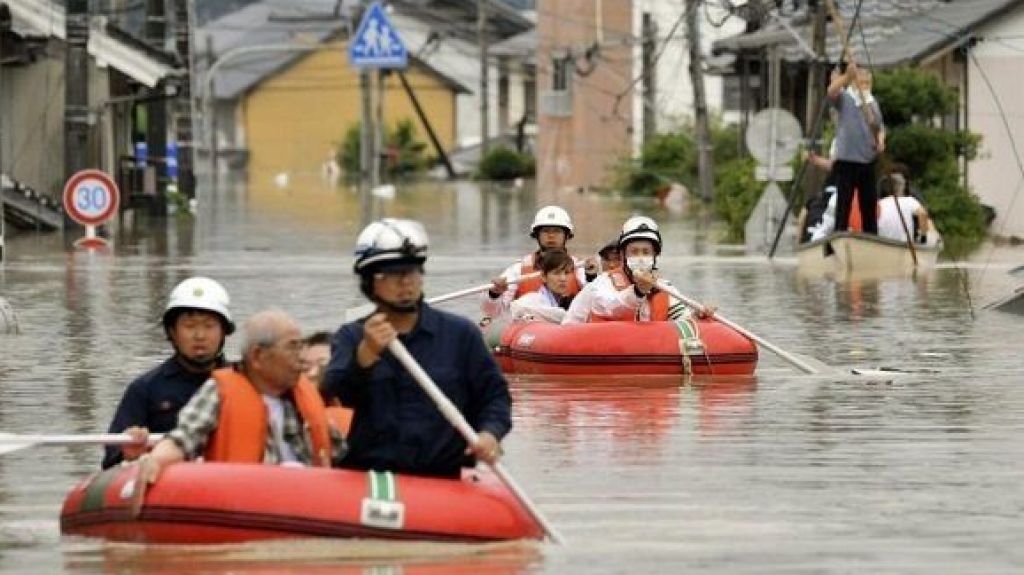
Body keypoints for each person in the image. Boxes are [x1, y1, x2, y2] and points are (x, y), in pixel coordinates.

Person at [322, 218, 511, 478]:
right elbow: (334, 395)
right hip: (373, 480)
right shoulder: (351, 337)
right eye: (392, 275)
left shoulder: (460, 335)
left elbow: (495, 396)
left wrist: (490, 433)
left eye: (412, 272)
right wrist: (366, 355)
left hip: (441, 477)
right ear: (370, 283)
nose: (405, 283)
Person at [138, 309, 346, 483]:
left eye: (300, 347)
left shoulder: (303, 395)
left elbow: (340, 451)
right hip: (245, 499)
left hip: (308, 498)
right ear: (257, 356)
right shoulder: (221, 391)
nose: (301, 358)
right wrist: (156, 460)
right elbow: (182, 439)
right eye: (292, 347)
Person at [102, 277, 234, 469]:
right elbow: (110, 461)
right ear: (172, 332)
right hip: (168, 487)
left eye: (209, 326)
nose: (200, 335)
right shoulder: (145, 388)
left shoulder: (244, 383)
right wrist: (128, 452)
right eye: (189, 326)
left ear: (223, 332)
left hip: (230, 482)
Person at [563, 216, 711, 324]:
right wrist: (638, 292)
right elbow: (609, 307)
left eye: (646, 252)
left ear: (655, 255)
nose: (640, 258)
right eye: (634, 252)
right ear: (622, 255)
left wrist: (698, 317)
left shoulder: (665, 288)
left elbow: (682, 318)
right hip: (602, 354)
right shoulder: (601, 283)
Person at [481, 205, 596, 319]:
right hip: (529, 326)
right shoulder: (518, 269)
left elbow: (596, 301)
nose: (551, 236)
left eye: (557, 231)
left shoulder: (580, 268)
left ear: (566, 235)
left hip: (567, 326)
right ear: (537, 235)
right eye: (546, 231)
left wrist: (592, 278)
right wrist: (494, 294)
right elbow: (493, 313)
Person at [827, 60, 885, 235]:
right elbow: (831, 92)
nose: (864, 86)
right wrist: (846, 76)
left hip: (867, 160)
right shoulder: (846, 98)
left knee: (868, 204)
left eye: (867, 83)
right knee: (844, 203)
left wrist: (881, 141)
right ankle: (839, 234)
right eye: (861, 82)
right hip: (847, 160)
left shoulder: (872, 102)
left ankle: (871, 237)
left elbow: (879, 127)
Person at [509, 249, 577, 324]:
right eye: (556, 273)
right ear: (543, 276)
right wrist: (563, 315)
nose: (563, 278)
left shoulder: (571, 301)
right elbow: (516, 308)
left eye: (567, 273)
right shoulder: (532, 299)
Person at [877, 171, 931, 243]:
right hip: (904, 243)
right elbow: (923, 214)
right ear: (901, 188)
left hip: (881, 241)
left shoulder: (880, 203)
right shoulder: (910, 200)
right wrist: (923, 237)